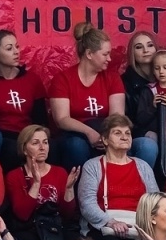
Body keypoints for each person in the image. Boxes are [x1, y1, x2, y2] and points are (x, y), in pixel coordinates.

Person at [77, 113, 159, 240]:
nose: (124, 137)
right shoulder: (93, 166)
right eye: (117, 133)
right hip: (104, 227)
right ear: (105, 139)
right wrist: (110, 222)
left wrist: (146, 227)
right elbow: (86, 203)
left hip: (137, 227)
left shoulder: (143, 166)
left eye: (128, 133)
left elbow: (154, 201)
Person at [46, 22, 125, 168]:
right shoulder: (63, 79)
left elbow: (117, 117)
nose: (109, 59)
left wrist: (105, 137)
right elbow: (62, 119)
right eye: (105, 54)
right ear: (89, 54)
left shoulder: (112, 78)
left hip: (105, 133)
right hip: (74, 135)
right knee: (76, 146)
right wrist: (89, 132)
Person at [3, 125, 80, 240]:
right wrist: (36, 184)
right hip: (30, 228)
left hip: (55, 226)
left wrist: (69, 189)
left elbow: (67, 215)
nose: (42, 147)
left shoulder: (60, 172)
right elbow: (23, 214)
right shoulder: (14, 176)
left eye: (45, 142)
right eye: (35, 143)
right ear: (24, 149)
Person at [0, 30, 45, 171]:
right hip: (2, 136)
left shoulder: (31, 79)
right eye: (9, 48)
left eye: (17, 46)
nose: (16, 52)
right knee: (9, 150)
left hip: (28, 134)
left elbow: (40, 118)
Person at [116, 33, 166, 171]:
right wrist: (145, 133)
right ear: (132, 53)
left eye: (150, 45)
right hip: (138, 137)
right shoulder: (123, 82)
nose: (146, 50)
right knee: (148, 145)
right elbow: (123, 120)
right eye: (139, 47)